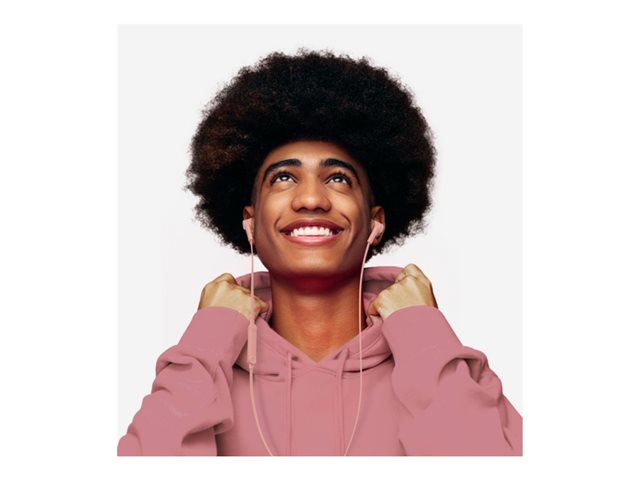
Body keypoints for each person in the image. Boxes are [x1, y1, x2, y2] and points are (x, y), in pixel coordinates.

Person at [118, 49, 522, 456]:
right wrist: (208, 340)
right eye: (283, 178)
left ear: (375, 222)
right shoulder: (204, 371)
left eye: (338, 179)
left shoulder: (448, 370)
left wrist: (422, 335)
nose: (310, 199)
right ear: (250, 223)